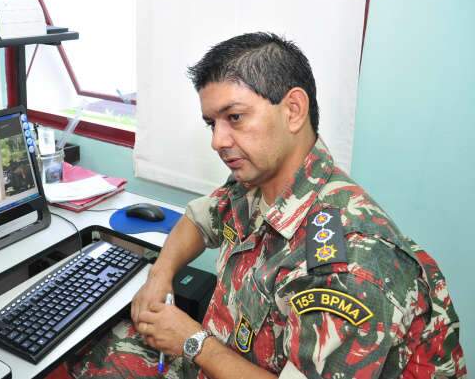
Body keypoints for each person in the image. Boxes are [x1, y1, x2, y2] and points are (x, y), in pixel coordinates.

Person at [72, 33, 466, 378]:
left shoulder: (353, 262)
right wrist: (161, 274)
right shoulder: (257, 180)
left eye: (235, 117)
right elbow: (200, 218)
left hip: (210, 354)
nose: (218, 141)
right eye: (213, 123)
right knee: (91, 351)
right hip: (219, 357)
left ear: (293, 110)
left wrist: (193, 342)